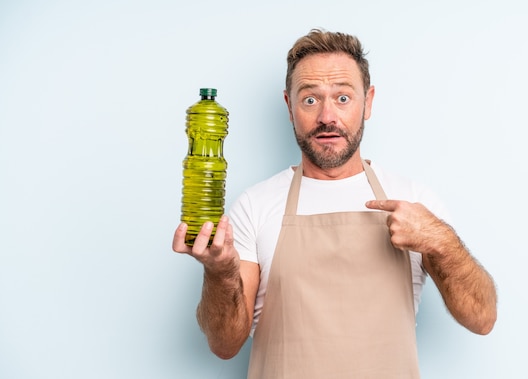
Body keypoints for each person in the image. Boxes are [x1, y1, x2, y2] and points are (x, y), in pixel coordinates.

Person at [173, 28, 497, 378]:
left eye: (343, 98)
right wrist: (220, 272)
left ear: (368, 101)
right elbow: (224, 346)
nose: (327, 116)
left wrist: (441, 240)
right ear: (289, 105)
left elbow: (482, 319)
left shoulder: (414, 200)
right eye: (310, 100)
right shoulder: (255, 204)